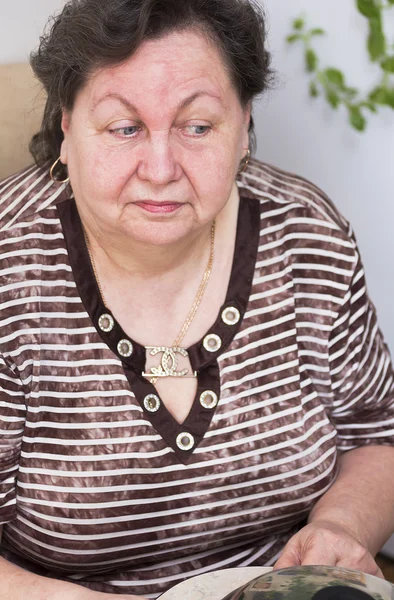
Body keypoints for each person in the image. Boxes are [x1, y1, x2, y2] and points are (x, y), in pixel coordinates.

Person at [0, 0, 394, 598]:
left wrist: (341, 525)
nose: (160, 169)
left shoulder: (307, 234)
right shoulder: (11, 268)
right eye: (124, 128)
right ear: (66, 124)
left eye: (198, 126)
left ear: (243, 123)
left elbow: (376, 433)